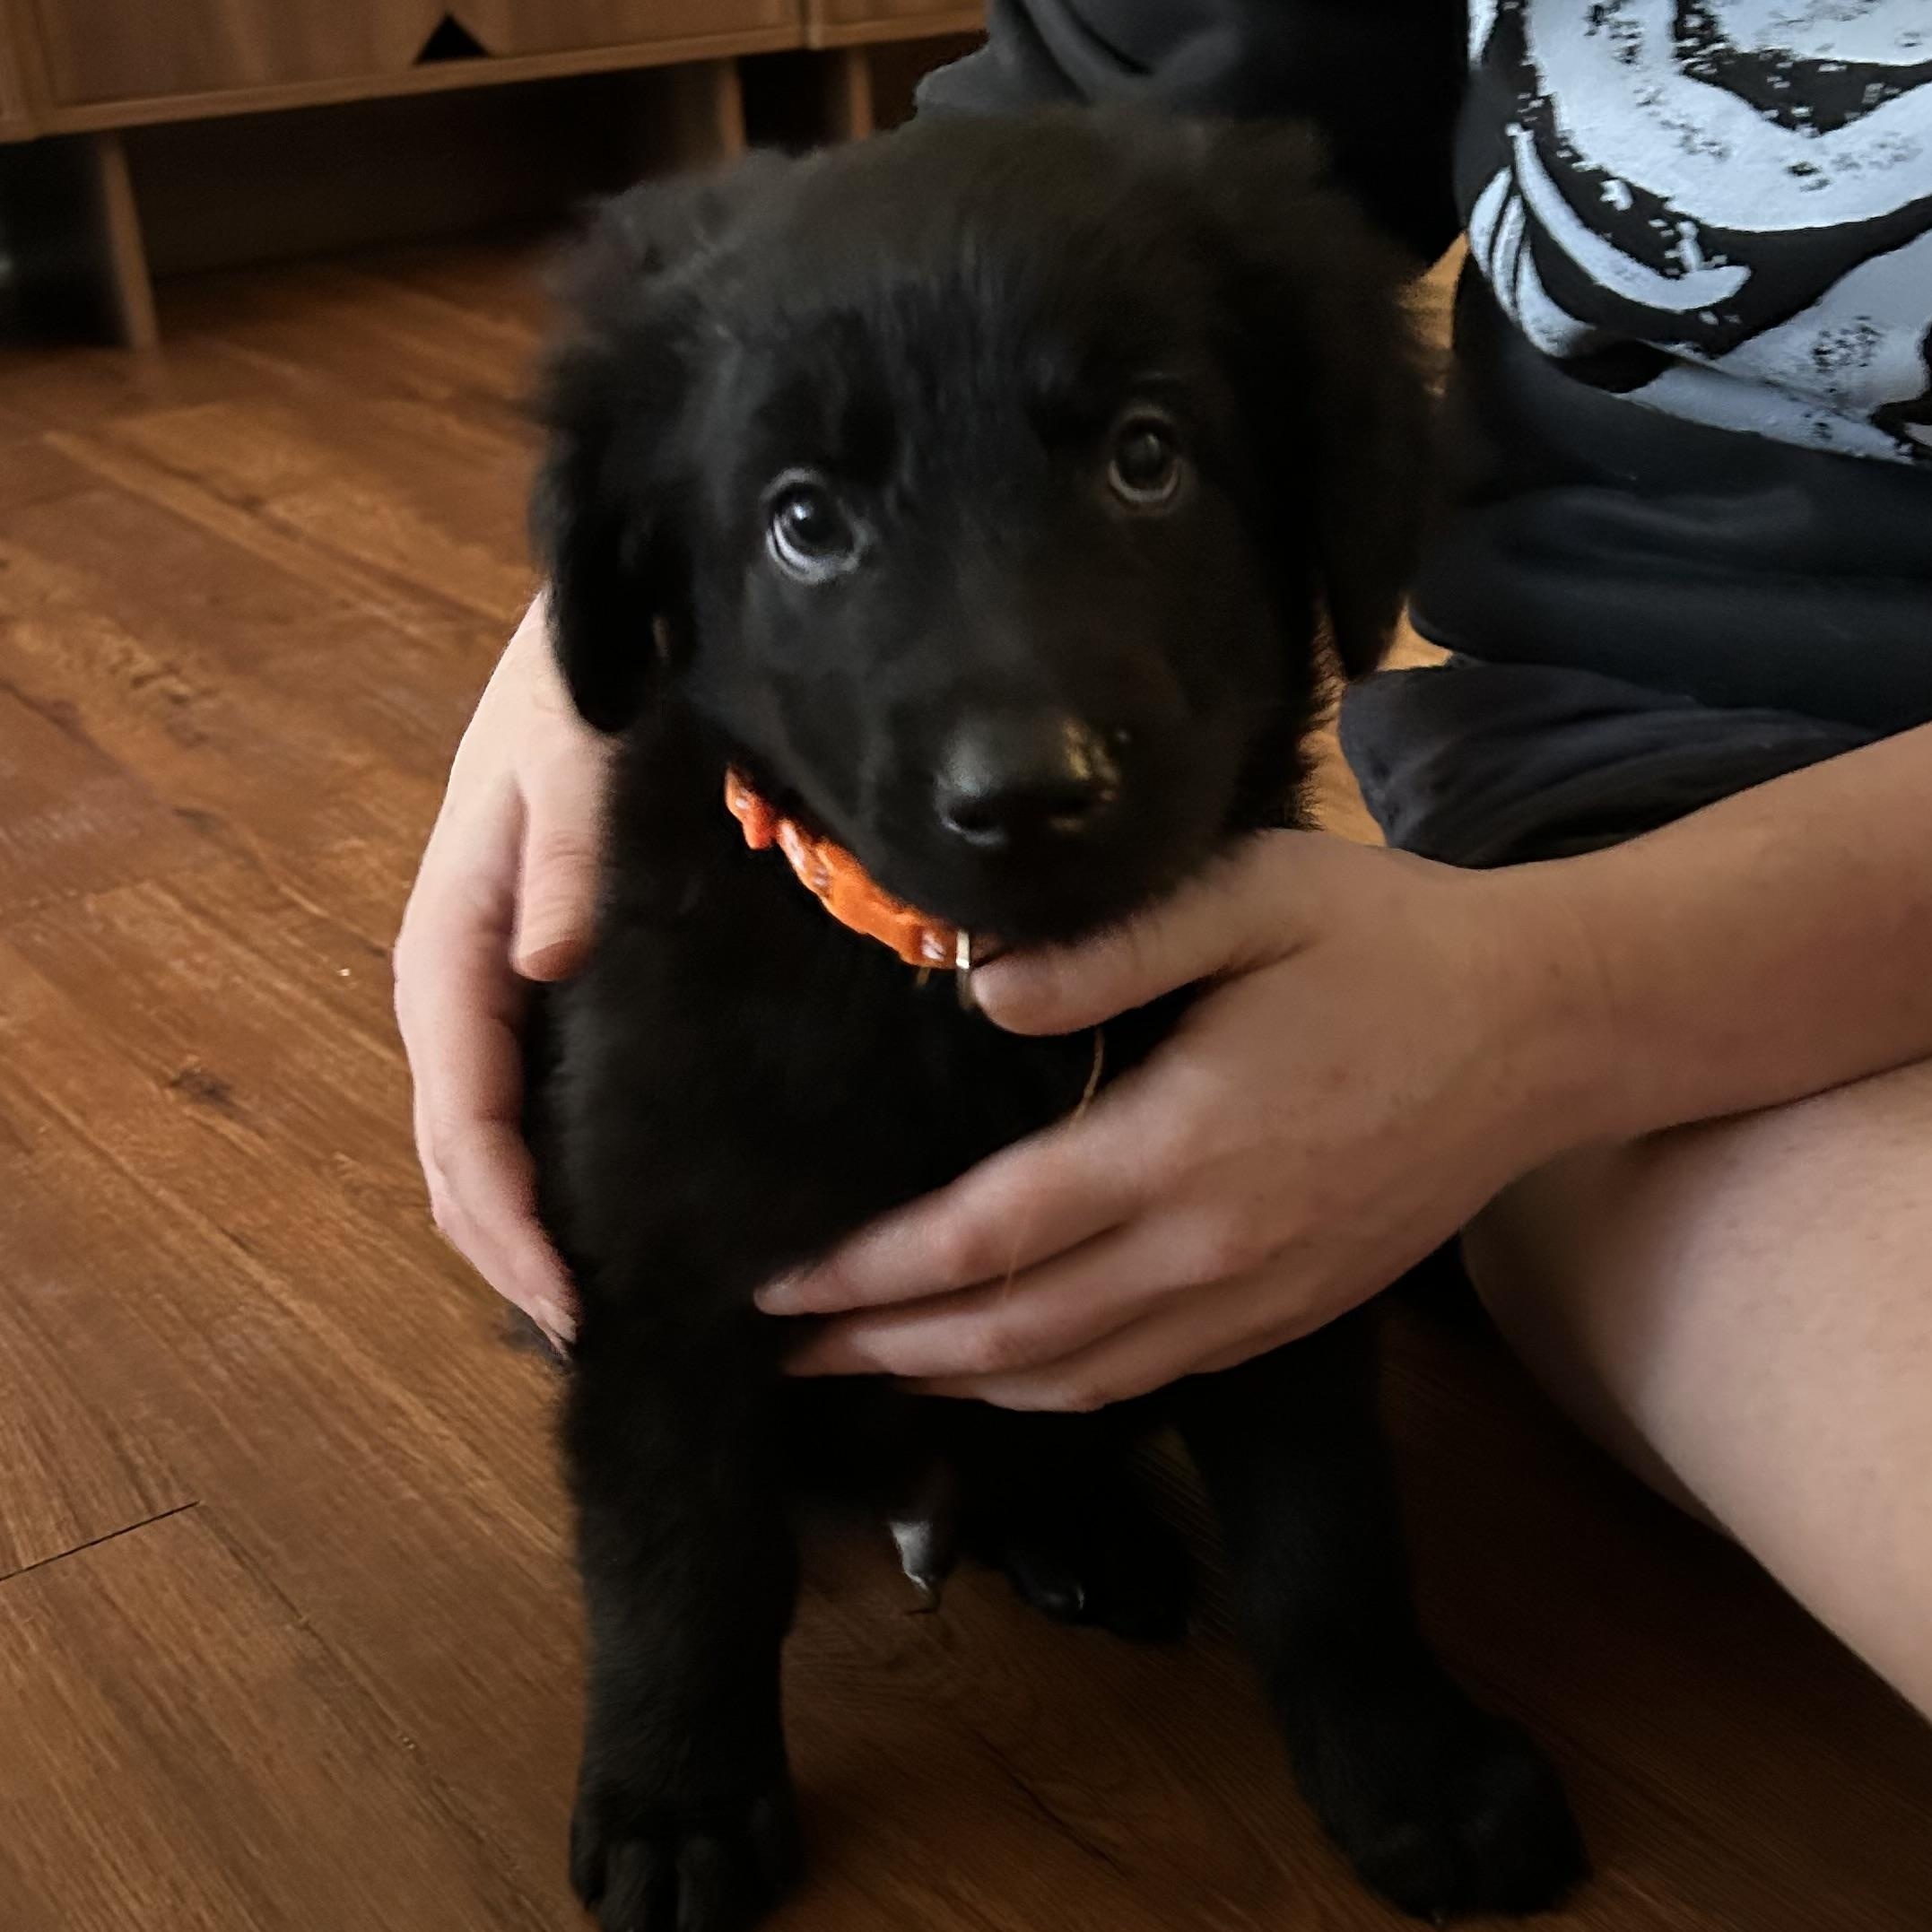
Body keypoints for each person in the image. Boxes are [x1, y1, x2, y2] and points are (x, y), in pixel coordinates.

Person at [393, 1, 1932, 1715]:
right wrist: (595, 602)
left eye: (1141, 458)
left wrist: (1560, 996)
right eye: (809, 521)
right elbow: (1068, 126)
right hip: (1645, 774)